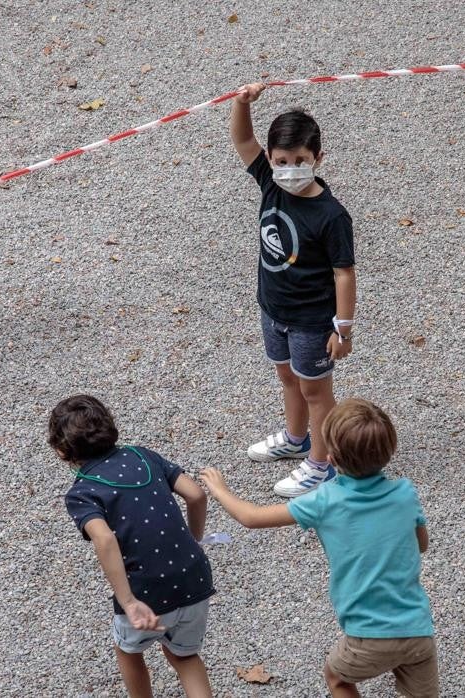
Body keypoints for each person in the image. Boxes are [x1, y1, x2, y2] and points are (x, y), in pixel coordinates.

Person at [200, 399, 437, 697]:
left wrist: (220, 490)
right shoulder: (405, 493)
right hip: (418, 630)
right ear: (390, 451)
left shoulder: (325, 500)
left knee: (337, 678)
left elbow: (251, 518)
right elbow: (422, 545)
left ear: (332, 458)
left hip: (366, 636)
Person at [230, 83, 357, 497]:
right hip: (274, 310)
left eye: (300, 160)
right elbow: (243, 138)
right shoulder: (270, 183)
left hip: (310, 321)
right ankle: (296, 438)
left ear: (318, 158)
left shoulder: (332, 215)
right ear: (270, 159)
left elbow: (344, 273)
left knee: (316, 390)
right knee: (287, 377)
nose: (290, 169)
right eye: (281, 160)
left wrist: (343, 327)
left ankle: (323, 464)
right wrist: (241, 103)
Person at [53, 395, 215, 698]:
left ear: (62, 451)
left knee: (128, 651)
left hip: (146, 589)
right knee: (184, 657)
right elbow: (195, 495)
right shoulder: (142, 456)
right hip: (195, 576)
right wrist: (195, 541)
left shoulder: (82, 493)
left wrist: (128, 601)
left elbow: (104, 539)